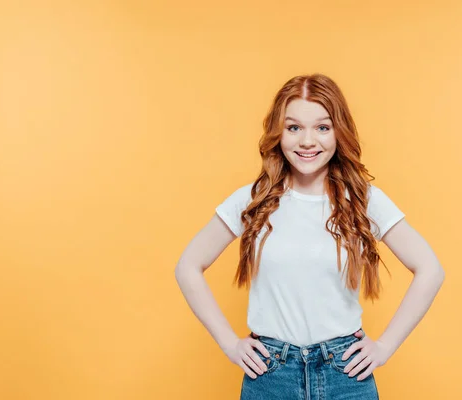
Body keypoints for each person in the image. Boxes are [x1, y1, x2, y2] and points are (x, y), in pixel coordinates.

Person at [175, 73, 445, 399]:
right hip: (270, 375)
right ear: (279, 133)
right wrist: (229, 343)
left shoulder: (362, 199)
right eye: (294, 128)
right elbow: (188, 265)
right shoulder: (252, 199)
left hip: (345, 374)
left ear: (338, 133)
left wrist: (385, 346)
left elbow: (430, 269)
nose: (307, 141)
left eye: (322, 127)